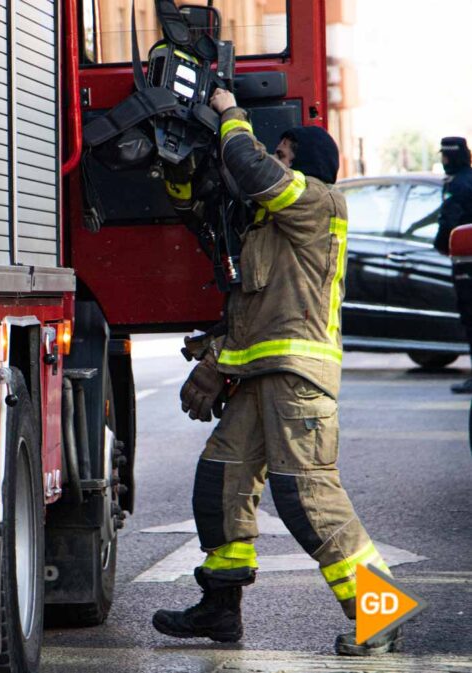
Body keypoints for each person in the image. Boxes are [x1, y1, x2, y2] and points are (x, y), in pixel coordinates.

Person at [152, 88, 399, 656]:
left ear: (302, 163)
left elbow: (251, 167)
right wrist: (215, 357)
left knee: (307, 498)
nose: (275, 160)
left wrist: (228, 112)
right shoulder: (271, 232)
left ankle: (381, 612)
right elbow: (256, 312)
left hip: (296, 383)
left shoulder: (318, 201)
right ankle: (221, 608)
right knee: (221, 482)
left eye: (282, 153)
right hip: (264, 380)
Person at [431, 137, 472, 393]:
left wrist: (441, 245)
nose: (443, 162)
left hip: (466, 264)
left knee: (469, 318)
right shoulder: (464, 180)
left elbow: (450, 221)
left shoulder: (460, 185)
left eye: (444, 157)